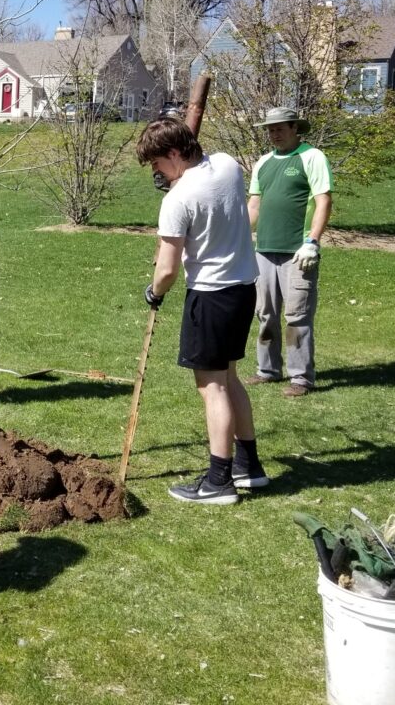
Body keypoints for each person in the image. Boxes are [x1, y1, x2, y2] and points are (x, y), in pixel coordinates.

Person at [136, 117, 267, 504]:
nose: (157, 173)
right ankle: (248, 466)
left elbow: (167, 269)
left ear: (174, 154)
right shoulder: (228, 165)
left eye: (158, 164)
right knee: (229, 378)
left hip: (210, 296)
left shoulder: (177, 201)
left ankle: (219, 481)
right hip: (243, 288)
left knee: (212, 387)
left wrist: (154, 292)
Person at [247, 107, 333, 398]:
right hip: (264, 252)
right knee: (265, 314)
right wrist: (242, 236)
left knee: (296, 317)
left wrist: (313, 241)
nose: (274, 133)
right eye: (270, 129)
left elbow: (323, 201)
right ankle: (267, 370)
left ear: (296, 128)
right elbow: (254, 206)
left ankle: (300, 377)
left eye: (280, 128)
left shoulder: (312, 157)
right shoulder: (263, 163)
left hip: (298, 253)